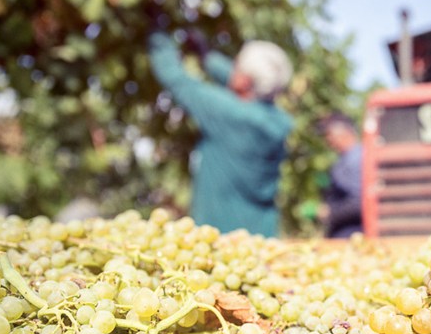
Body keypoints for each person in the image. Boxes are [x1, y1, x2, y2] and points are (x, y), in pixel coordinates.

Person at [147, 29, 293, 236]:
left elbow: (177, 79)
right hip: (262, 235)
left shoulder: (231, 115)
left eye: (236, 65)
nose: (232, 69)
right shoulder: (276, 120)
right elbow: (238, 83)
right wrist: (206, 55)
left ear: (244, 81)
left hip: (222, 238)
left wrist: (157, 31)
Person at [316, 113, 363, 238]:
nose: (327, 140)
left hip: (352, 232)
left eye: (329, 135)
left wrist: (331, 212)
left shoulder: (354, 161)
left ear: (343, 132)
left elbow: (360, 202)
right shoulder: (346, 159)